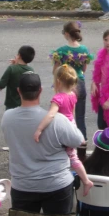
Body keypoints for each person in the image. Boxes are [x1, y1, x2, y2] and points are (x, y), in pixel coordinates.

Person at [1, 71, 84, 214]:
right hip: (57, 184)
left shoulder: (7, 118)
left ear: (18, 91)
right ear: (40, 91)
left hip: (22, 185)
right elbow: (78, 140)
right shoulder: (57, 120)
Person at [33, 65, 93, 196]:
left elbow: (51, 115)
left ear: (58, 82)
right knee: (72, 155)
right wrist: (75, 128)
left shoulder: (58, 98)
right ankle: (84, 179)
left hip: (62, 127)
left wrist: (39, 129)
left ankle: (86, 180)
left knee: (72, 157)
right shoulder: (72, 95)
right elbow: (72, 113)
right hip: (70, 124)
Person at [51, 20, 93, 141]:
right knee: (80, 117)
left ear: (67, 34)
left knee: (66, 116)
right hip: (80, 83)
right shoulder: (84, 49)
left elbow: (56, 71)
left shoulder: (61, 51)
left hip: (66, 85)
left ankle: (66, 142)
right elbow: (84, 68)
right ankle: (82, 144)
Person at [0, 45, 35, 110]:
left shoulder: (11, 68)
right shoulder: (31, 70)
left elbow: (1, 84)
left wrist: (0, 87)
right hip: (25, 103)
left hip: (12, 104)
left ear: (19, 56)